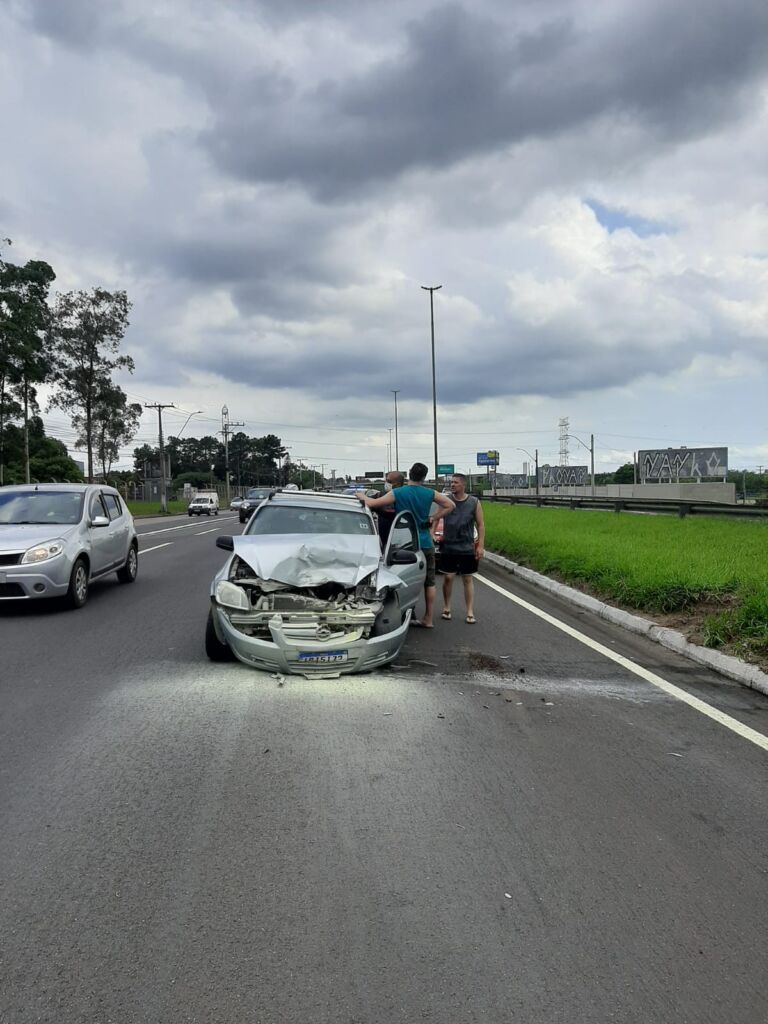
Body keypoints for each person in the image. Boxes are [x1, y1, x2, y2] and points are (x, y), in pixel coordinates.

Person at [360, 462, 455, 628]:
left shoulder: (398, 492)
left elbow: (373, 504)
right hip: (425, 542)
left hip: (404, 542)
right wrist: (434, 517)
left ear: (410, 474)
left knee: (402, 579)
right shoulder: (430, 493)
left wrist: (361, 496)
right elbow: (450, 505)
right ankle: (429, 618)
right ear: (424, 477)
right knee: (430, 582)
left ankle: (401, 613)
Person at [438, 472, 485, 624]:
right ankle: (446, 607)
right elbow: (436, 517)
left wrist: (480, 546)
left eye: (456, 482)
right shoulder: (446, 501)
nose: (452, 485)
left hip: (466, 547)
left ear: (463, 485)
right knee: (448, 577)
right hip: (449, 546)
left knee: (467, 578)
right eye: (451, 482)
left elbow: (481, 524)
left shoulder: (474, 502)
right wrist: (433, 533)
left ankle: (470, 611)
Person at [375, 470, 405, 550]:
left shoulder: (405, 497)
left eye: (389, 481)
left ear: (398, 484)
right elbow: (369, 502)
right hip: (382, 542)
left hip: (401, 543)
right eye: (386, 481)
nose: (386, 483)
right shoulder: (380, 496)